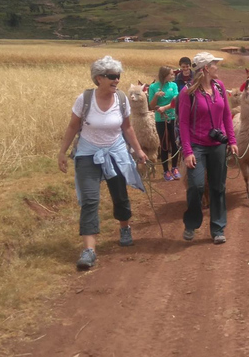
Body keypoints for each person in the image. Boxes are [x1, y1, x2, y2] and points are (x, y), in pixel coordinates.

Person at [58, 56, 148, 270]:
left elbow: (127, 128)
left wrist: (139, 151)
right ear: (98, 78)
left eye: (118, 76)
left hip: (116, 153)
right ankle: (89, 250)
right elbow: (72, 126)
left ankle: (124, 227)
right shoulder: (84, 99)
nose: (116, 80)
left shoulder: (122, 99)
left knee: (120, 195)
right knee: (89, 200)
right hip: (88, 154)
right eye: (111, 77)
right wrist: (62, 152)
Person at [178, 52, 238, 244]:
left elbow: (227, 115)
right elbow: (184, 124)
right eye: (214, 64)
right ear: (205, 69)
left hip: (218, 144)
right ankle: (192, 223)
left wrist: (232, 140)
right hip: (197, 145)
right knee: (196, 185)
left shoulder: (219, 87)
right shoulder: (187, 93)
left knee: (218, 186)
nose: (217, 67)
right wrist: (187, 152)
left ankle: (218, 228)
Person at [148, 65, 180, 181]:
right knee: (165, 144)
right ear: (165, 75)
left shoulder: (174, 85)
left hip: (173, 118)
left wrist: (164, 108)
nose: (173, 75)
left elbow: (177, 100)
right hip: (161, 120)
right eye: (171, 74)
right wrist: (156, 96)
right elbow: (151, 106)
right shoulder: (153, 87)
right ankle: (166, 170)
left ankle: (175, 168)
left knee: (175, 143)